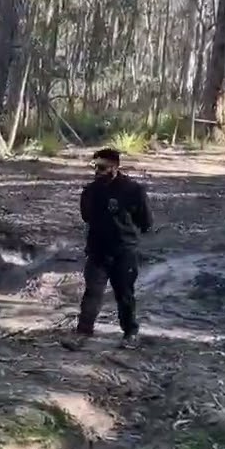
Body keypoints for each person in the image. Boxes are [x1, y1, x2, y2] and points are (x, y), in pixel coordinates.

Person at [74, 148, 153, 349]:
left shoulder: (133, 191)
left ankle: (130, 333)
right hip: (97, 251)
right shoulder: (90, 192)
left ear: (115, 167)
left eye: (102, 167)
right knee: (92, 292)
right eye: (95, 167)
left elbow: (145, 221)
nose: (98, 172)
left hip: (124, 252)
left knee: (125, 294)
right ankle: (82, 332)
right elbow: (86, 216)